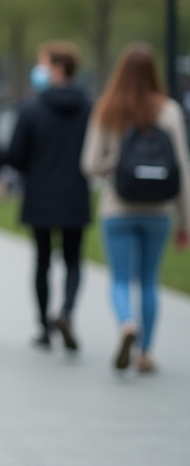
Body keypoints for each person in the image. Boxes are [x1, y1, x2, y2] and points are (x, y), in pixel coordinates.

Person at [81, 43, 190, 372]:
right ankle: (146, 352)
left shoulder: (107, 108)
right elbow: (181, 167)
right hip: (158, 210)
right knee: (148, 281)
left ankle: (127, 323)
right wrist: (185, 220)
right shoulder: (168, 110)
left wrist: (119, 162)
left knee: (119, 280)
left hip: (118, 207)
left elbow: (89, 164)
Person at [5, 41, 93, 351]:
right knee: (73, 259)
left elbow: (15, 155)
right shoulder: (89, 107)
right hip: (75, 193)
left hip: (40, 193)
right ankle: (67, 312)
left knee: (42, 261)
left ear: (57, 67)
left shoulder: (32, 108)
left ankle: (44, 326)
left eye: (42, 63)